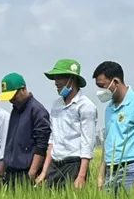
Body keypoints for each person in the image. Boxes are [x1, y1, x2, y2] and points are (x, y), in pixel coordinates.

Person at [92, 61, 134, 194]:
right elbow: (108, 142)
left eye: (103, 86)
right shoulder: (109, 108)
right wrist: (101, 174)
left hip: (132, 169)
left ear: (115, 81)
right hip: (111, 171)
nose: (101, 92)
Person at [36, 59, 98, 189]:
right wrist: (44, 172)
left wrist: (81, 176)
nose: (56, 83)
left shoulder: (86, 106)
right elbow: (52, 140)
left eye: (60, 78)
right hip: (55, 165)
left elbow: (87, 143)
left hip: (73, 165)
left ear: (72, 79)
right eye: (55, 78)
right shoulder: (56, 105)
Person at [0, 73, 51, 188]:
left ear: (23, 89)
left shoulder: (37, 111)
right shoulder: (15, 110)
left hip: (26, 172)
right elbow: (10, 141)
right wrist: (3, 165)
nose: (11, 100)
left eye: (14, 96)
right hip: (11, 171)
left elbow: (41, 145)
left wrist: (32, 173)